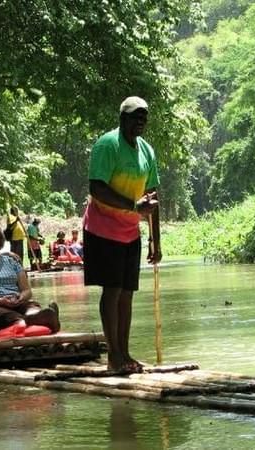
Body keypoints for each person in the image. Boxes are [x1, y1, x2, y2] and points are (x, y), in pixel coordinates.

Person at [82, 96, 162, 373]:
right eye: (135, 116)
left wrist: (156, 240)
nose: (140, 121)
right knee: (112, 290)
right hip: (103, 228)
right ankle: (113, 356)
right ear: (122, 118)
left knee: (127, 293)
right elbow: (96, 188)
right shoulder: (107, 145)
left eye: (144, 117)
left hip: (130, 231)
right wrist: (132, 205)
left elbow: (152, 197)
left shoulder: (146, 151)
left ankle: (125, 353)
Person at [0, 222, 60, 332]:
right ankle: (38, 321)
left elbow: (27, 291)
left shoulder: (12, 261)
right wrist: (0, 301)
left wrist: (21, 297)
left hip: (17, 302)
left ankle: (38, 316)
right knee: (13, 317)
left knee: (31, 308)